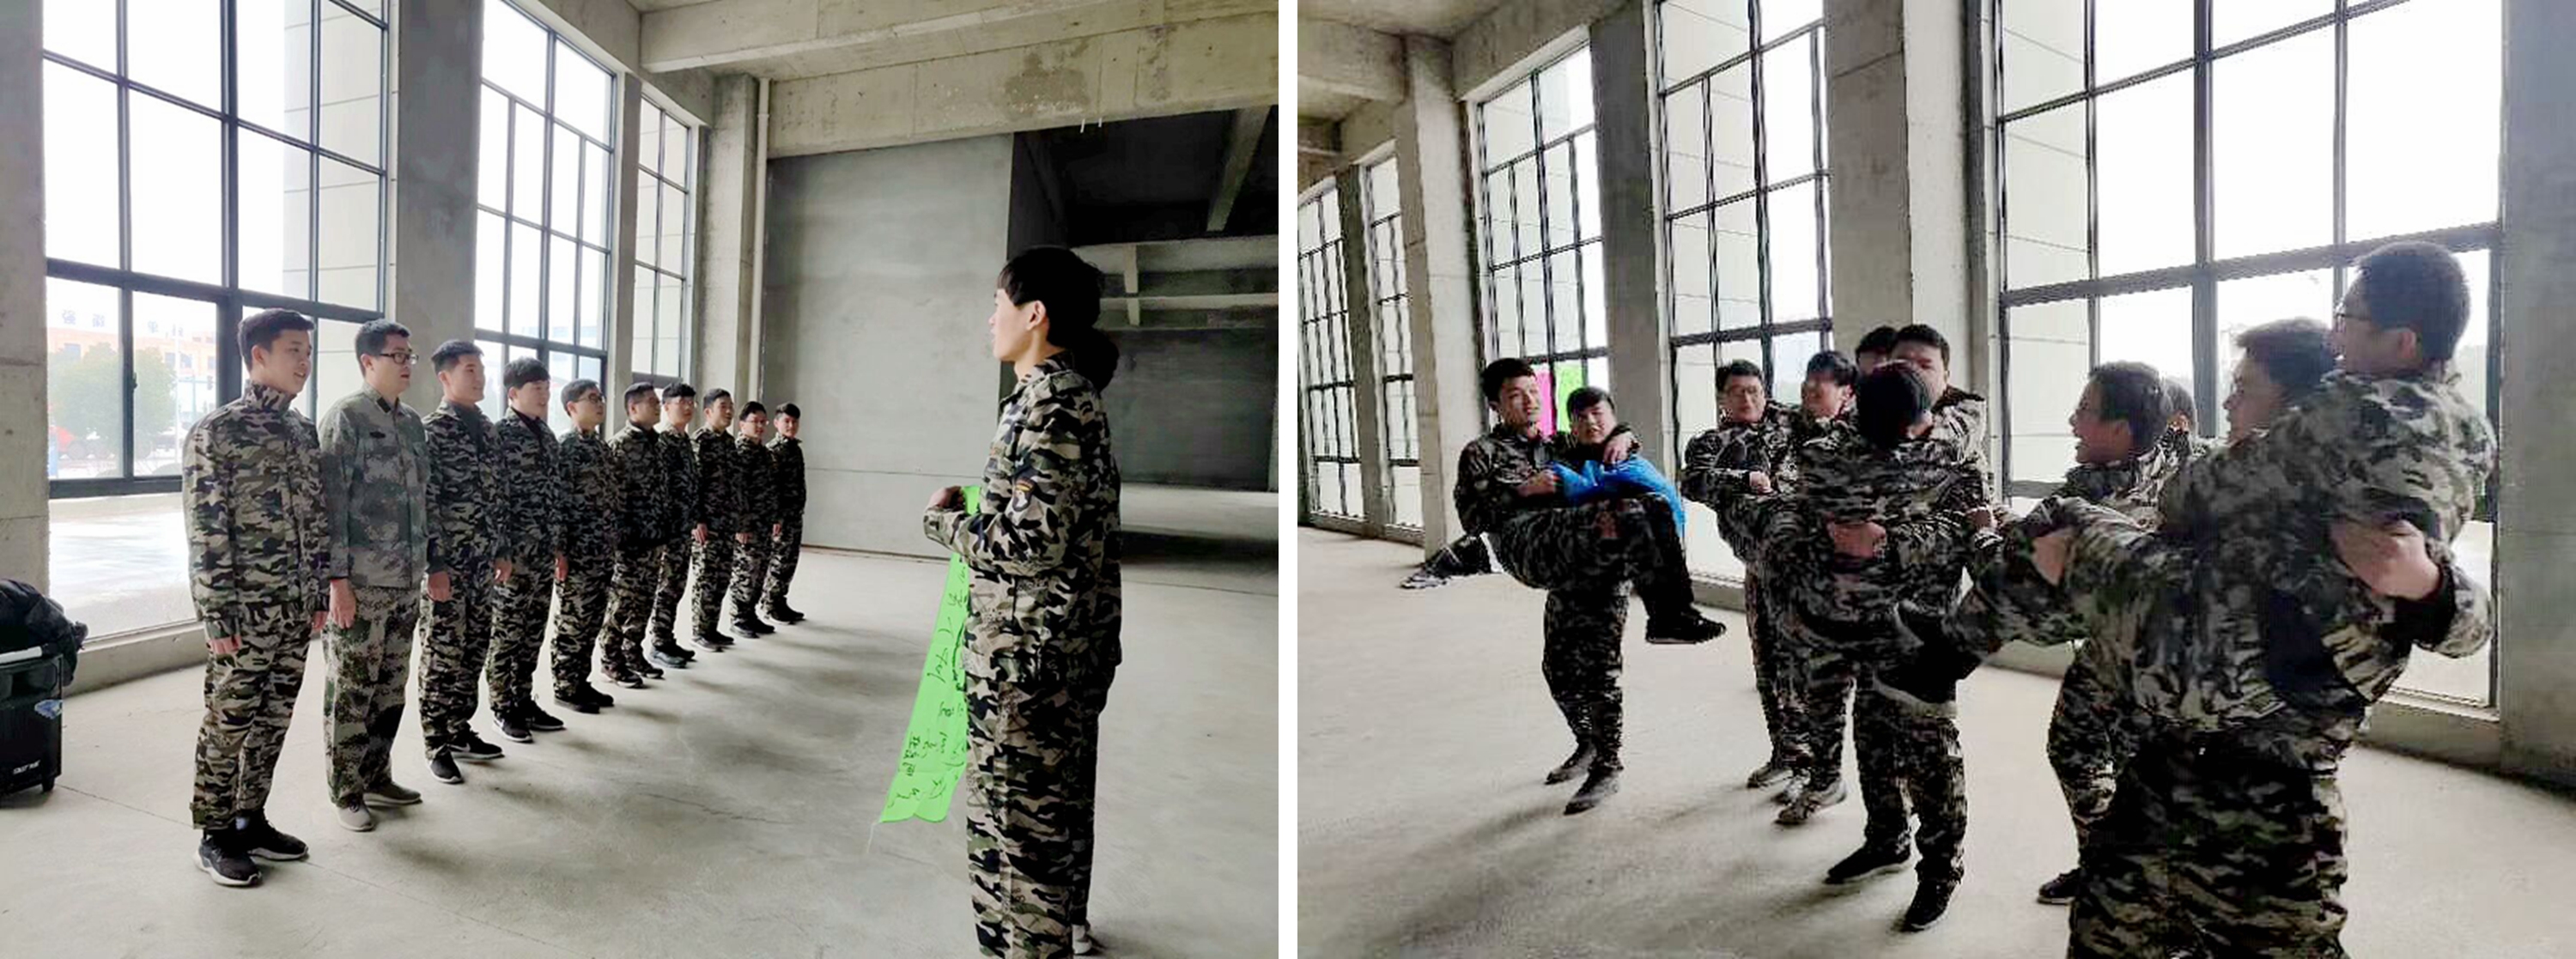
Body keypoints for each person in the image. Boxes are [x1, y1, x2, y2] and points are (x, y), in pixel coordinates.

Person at [2032, 244, 2496, 956]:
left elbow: (2468, 625)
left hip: (2269, 817)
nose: (2226, 402)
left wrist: (2429, 587)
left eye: (2244, 388)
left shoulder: (2363, 472)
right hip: (2158, 780)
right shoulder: (2232, 481)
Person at [1700, 364, 1982, 931]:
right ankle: (1887, 841)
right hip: (1864, 627)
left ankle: (1939, 871)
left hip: (1913, 637)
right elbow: (1970, 502)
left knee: (1929, 754)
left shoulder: (1824, 457)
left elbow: (1972, 520)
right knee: (1875, 743)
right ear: (1915, 422)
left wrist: (1887, 539)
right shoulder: (1942, 453)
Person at [924, 246, 1124, 957]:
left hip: (1025, 661)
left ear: (1034, 314)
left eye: (998, 305)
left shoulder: (1051, 405)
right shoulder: (1063, 397)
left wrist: (944, 522)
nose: (991, 319)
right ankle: (1060, 929)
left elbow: (1032, 541)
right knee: (1052, 815)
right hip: (1054, 649)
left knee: (1015, 834)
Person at [1454, 358, 1727, 816]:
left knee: (1597, 668)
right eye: (1516, 395)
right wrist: (1520, 491)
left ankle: (1607, 763)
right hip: (1544, 553)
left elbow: (1605, 432)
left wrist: (1625, 435)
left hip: (1595, 562)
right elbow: (1472, 518)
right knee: (1559, 670)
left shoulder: (1561, 441)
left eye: (1533, 391)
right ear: (1495, 404)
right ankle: (1590, 739)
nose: (1530, 401)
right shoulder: (1481, 452)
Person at [181, 308, 326, 887]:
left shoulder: (301, 431)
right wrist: (216, 612)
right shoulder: (217, 431)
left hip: (295, 608)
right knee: (229, 722)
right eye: (294, 350)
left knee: (273, 721)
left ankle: (250, 816)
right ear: (258, 356)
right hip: (244, 612)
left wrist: (317, 591)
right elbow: (205, 529)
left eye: (308, 351)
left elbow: (315, 517)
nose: (305, 362)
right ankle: (214, 832)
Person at [1678, 357, 1830, 798]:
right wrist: (1745, 479)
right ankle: (1784, 752)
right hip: (1757, 567)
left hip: (1797, 564)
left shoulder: (1793, 422)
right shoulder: (1711, 442)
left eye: (1755, 391)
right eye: (1737, 392)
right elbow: (1694, 482)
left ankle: (1810, 767)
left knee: (1797, 665)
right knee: (1766, 665)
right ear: (1721, 398)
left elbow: (1836, 432)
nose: (1748, 399)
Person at [317, 319, 432, 833]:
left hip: (405, 582)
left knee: (390, 689)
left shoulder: (412, 424)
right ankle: (346, 791)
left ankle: (377, 774)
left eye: (410, 356)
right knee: (352, 690)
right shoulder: (347, 418)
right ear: (368, 362)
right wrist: (337, 582)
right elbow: (331, 506)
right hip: (361, 585)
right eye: (397, 356)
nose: (407, 364)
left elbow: (422, 501)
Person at [416, 340, 509, 786]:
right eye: (470, 370)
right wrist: (434, 565)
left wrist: (502, 549)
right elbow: (426, 502)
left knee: (474, 649)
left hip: (483, 563)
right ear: (445, 377)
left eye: (481, 370)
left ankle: (459, 728)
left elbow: (499, 495)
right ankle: (436, 743)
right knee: (442, 654)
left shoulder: (488, 430)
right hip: (449, 567)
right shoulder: (431, 431)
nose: (480, 377)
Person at [487, 358, 569, 744]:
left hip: (542, 553)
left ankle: (523, 698)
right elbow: (495, 498)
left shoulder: (547, 436)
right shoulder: (500, 435)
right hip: (515, 557)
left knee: (533, 631)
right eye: (537, 389)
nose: (545, 395)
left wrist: (558, 547)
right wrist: (501, 551)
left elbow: (556, 497)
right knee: (507, 632)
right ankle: (501, 705)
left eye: (547, 388)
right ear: (513, 393)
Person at [551, 379, 621, 713]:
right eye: (591, 399)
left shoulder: (601, 448)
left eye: (600, 397)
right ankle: (565, 686)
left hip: (602, 550)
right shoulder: (566, 448)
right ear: (571, 407)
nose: (599, 403)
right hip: (577, 552)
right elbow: (557, 503)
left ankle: (580, 679)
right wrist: (560, 551)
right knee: (574, 621)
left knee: (593, 619)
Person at [600, 383, 672, 691]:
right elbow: (613, 497)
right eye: (651, 402)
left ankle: (633, 652)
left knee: (644, 601)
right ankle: (611, 659)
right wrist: (622, 537)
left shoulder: (657, 442)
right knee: (622, 603)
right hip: (631, 543)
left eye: (657, 401)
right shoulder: (620, 445)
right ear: (633, 408)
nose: (657, 407)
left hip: (654, 538)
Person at [688, 388, 747, 654]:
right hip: (708, 525)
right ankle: (699, 631)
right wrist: (698, 520)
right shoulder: (700, 441)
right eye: (723, 406)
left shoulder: (728, 442)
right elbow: (694, 484)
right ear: (708, 411)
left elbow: (735, 484)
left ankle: (711, 628)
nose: (729, 411)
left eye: (731, 406)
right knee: (706, 579)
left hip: (727, 523)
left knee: (722, 578)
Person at [650, 383, 705, 664]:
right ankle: (658, 644)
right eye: (681, 402)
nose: (688, 407)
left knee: (676, 587)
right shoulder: (663, 442)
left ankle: (667, 638)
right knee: (666, 586)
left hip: (684, 529)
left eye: (691, 403)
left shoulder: (685, 442)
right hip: (669, 531)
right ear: (666, 406)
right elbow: (660, 489)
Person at [730, 402, 781, 636]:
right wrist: (741, 525)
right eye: (755, 422)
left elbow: (771, 488)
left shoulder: (763, 452)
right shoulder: (740, 452)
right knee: (746, 572)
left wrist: (774, 518)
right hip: (748, 525)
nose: (760, 426)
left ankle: (750, 613)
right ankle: (739, 617)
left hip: (764, 522)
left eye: (763, 422)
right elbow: (737, 491)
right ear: (742, 425)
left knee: (760, 571)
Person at [762, 403, 809, 623]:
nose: (791, 426)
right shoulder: (774, 450)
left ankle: (780, 600)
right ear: (776, 423)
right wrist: (775, 517)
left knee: (790, 561)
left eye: (795, 421)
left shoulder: (794, 449)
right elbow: (771, 487)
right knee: (778, 561)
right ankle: (770, 605)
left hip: (794, 514)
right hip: (780, 518)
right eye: (786, 421)